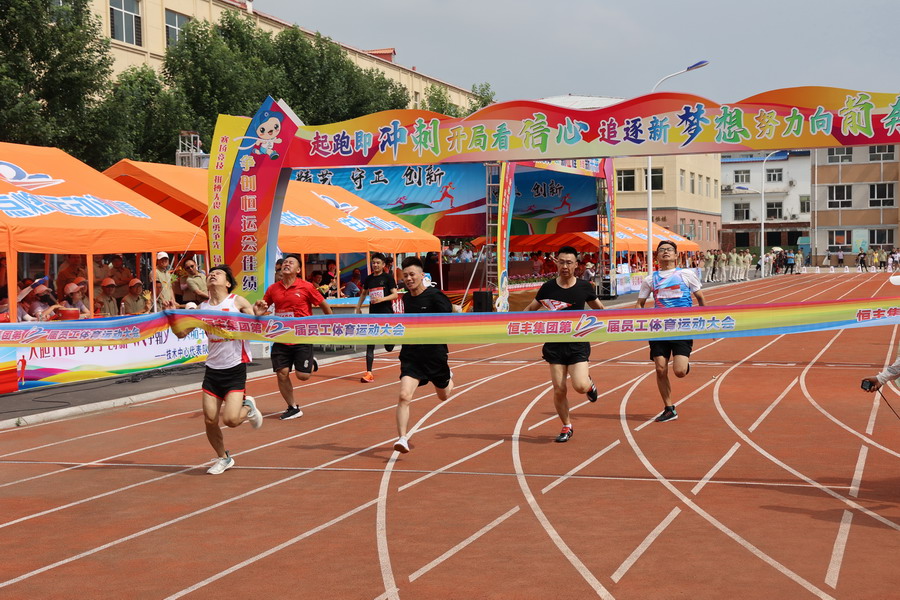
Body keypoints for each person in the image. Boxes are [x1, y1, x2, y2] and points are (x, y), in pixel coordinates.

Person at [173, 265, 264, 475]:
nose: (212, 275)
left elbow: (255, 328)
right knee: (209, 419)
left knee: (231, 420)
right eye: (210, 274)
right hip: (212, 369)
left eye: (218, 273)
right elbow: (181, 334)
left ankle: (248, 407)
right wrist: (171, 315)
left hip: (234, 367)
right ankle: (223, 457)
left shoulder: (237, 301)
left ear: (228, 282)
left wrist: (257, 315)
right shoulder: (202, 308)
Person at [525, 246, 605, 443]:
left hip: (577, 344)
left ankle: (589, 385)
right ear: (556, 262)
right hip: (555, 345)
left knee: (579, 385)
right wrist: (507, 322)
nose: (565, 266)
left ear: (576, 265)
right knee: (559, 388)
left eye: (569, 262)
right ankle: (566, 425)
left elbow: (601, 310)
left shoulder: (585, 287)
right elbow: (530, 309)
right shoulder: (548, 288)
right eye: (561, 262)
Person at [254, 254, 332, 420]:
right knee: (282, 373)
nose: (286, 264)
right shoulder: (273, 289)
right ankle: (292, 407)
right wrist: (258, 311)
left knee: (303, 376)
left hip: (301, 337)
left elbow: (325, 306)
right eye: (285, 262)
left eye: (291, 262)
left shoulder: (307, 287)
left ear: (298, 270)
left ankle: (311, 361)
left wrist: (328, 326)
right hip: (281, 337)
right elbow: (263, 308)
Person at [636, 240, 706, 423]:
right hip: (659, 328)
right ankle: (669, 408)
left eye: (669, 250)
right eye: (661, 250)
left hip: (682, 327)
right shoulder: (650, 279)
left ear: (676, 255)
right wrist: (638, 319)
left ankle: (684, 365)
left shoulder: (686, 274)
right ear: (657, 256)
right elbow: (640, 303)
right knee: (660, 368)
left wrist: (705, 319)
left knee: (680, 372)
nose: (665, 252)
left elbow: (700, 298)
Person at [392, 256, 455, 453]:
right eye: (405, 276)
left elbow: (450, 320)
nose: (409, 279)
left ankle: (448, 378)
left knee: (443, 396)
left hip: (434, 354)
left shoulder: (436, 296)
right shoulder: (406, 298)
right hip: (411, 354)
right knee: (404, 396)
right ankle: (402, 438)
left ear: (421, 275)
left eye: (412, 275)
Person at [356, 253, 398, 384]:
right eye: (373, 263)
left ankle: (389, 339)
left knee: (389, 348)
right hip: (373, 315)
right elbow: (363, 293)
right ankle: (369, 372)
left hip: (386, 314)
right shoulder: (368, 279)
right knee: (370, 344)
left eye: (378, 263)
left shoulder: (388, 278)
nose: (375, 265)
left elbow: (395, 295)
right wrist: (358, 307)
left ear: (383, 265)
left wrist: (382, 299)